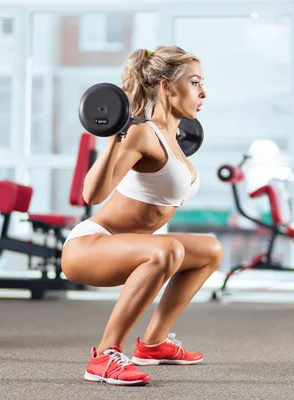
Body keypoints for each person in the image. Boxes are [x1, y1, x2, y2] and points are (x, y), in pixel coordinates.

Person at [61, 45, 223, 386]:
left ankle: (153, 344)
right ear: (165, 86)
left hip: (130, 246)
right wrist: (116, 133)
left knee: (210, 249)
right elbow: (90, 195)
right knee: (168, 250)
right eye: (195, 83)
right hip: (89, 246)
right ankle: (104, 356)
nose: (203, 92)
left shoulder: (175, 139)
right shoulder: (141, 133)